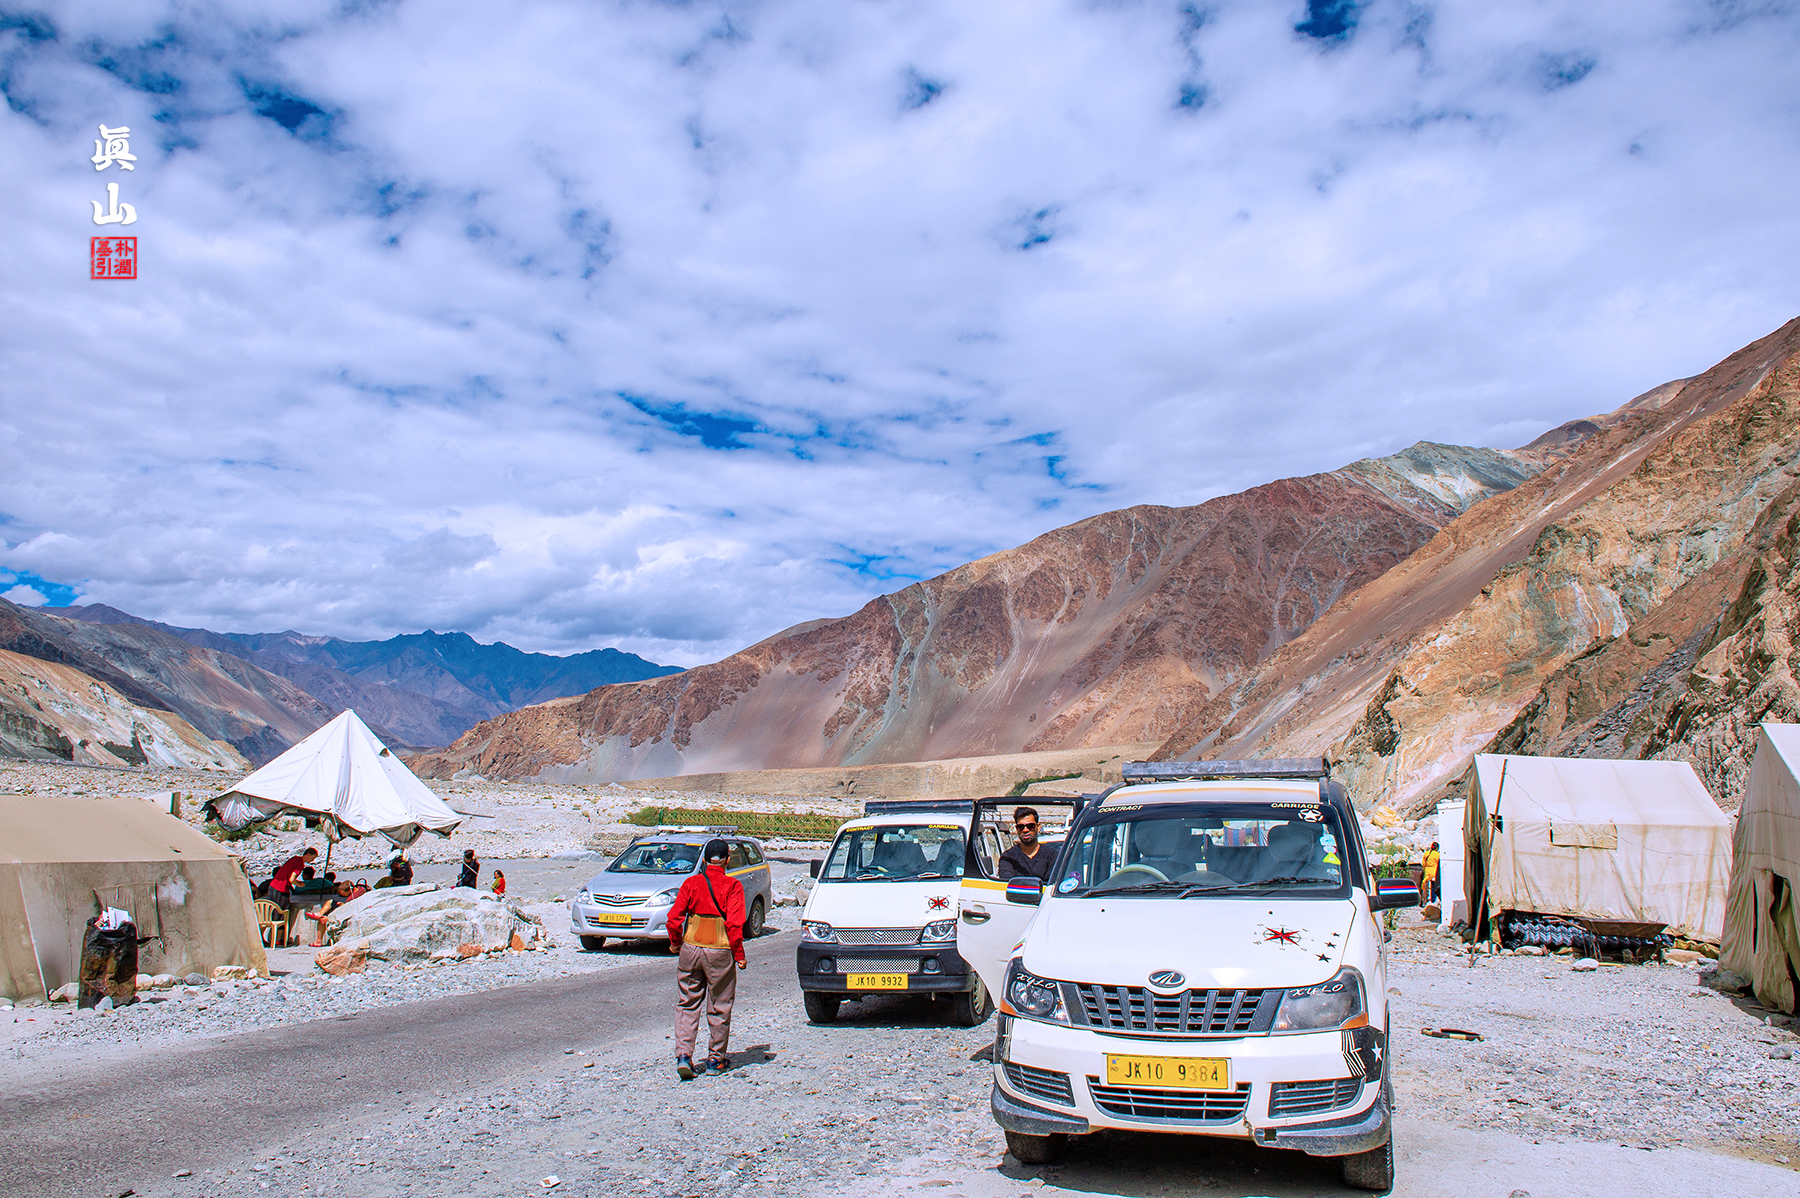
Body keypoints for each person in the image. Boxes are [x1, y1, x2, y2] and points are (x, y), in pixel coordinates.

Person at [666, 838, 747, 1081]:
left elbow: (673, 919)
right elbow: (734, 925)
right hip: (719, 950)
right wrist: (739, 955)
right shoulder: (733, 886)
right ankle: (715, 1059)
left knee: (687, 1002)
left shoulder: (691, 883)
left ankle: (683, 1056)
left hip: (690, 949)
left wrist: (676, 943)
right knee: (720, 1004)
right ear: (727, 860)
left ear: (703, 859)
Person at [997, 807, 1054, 882]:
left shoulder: (1052, 856)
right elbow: (1007, 882)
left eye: (1030, 826)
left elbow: (1051, 883)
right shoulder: (1008, 857)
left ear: (1038, 827)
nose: (1025, 830)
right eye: (1020, 827)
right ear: (1016, 829)